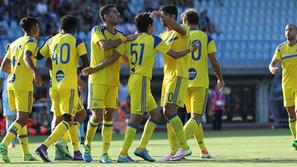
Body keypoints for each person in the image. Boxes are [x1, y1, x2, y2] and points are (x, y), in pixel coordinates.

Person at [83, 12, 196, 163]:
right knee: (136, 116)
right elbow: (174, 54)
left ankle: (141, 148)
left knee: (156, 114)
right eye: (153, 25)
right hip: (141, 80)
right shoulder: (154, 40)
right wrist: (190, 50)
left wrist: (96, 68)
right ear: (150, 26)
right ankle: (123, 154)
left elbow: (116, 57)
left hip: (134, 79)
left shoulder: (128, 39)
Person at [83, 4, 139, 163]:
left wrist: (132, 64)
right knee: (96, 116)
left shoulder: (120, 34)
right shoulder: (97, 30)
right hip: (98, 80)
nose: (118, 14)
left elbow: (118, 56)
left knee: (109, 116)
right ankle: (87, 145)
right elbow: (105, 45)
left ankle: (104, 153)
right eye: (114, 12)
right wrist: (125, 39)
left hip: (113, 81)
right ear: (105, 17)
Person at [35, 15, 89, 162]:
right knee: (67, 118)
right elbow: (86, 62)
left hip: (54, 87)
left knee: (81, 115)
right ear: (74, 28)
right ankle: (44, 146)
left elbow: (39, 56)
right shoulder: (77, 40)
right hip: (69, 85)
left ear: (61, 27)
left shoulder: (51, 40)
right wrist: (76, 70)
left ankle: (77, 151)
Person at [180, 8, 224, 158]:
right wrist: (220, 78)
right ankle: (180, 147)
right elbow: (214, 62)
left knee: (193, 117)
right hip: (200, 81)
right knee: (196, 117)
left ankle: (203, 150)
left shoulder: (182, 36)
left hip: (184, 81)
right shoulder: (207, 37)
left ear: (185, 22)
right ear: (198, 21)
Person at [150, 4, 192, 161]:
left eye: (165, 15)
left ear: (173, 16)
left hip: (178, 75)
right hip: (167, 77)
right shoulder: (162, 36)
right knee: (168, 114)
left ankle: (184, 148)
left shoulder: (183, 29)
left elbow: (179, 30)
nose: (161, 19)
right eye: (161, 15)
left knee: (169, 110)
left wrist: (161, 15)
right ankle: (174, 151)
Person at [0, 16, 42, 163]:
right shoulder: (32, 41)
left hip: (11, 84)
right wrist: (35, 72)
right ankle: (4, 144)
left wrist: (16, 72)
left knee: (20, 118)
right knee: (22, 117)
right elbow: (27, 57)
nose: (39, 29)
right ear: (33, 28)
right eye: (37, 26)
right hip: (23, 84)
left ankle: (26, 153)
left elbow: (4, 66)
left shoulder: (14, 43)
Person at [269, 24, 297, 149]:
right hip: (286, 86)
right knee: (291, 114)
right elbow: (271, 64)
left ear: (295, 32)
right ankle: (295, 139)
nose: (287, 31)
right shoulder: (281, 48)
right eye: (286, 30)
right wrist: (272, 69)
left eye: (290, 29)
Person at [0, 44, 17, 148]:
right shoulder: (18, 62)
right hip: (13, 91)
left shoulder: (4, 65)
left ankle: (12, 142)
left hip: (9, 91)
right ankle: (12, 141)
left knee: (11, 117)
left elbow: (0, 81)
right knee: (14, 117)